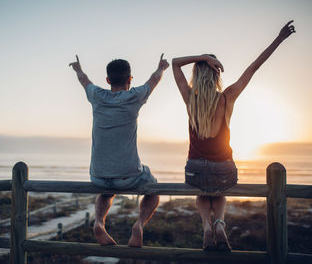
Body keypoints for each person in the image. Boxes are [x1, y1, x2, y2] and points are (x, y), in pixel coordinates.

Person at [171, 21, 295, 251]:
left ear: (197, 72)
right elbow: (253, 68)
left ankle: (206, 227)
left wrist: (202, 58)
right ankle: (219, 224)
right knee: (219, 191)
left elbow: (174, 64)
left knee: (202, 193)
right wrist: (278, 39)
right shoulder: (228, 96)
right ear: (216, 72)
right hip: (223, 169)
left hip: (195, 168)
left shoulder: (190, 98)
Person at [69, 54, 169, 247]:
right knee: (153, 189)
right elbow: (154, 79)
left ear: (108, 80)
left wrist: (78, 68)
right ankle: (139, 225)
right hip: (128, 176)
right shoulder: (134, 96)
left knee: (106, 191)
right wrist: (162, 67)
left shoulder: (96, 95)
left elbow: (84, 80)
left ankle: (99, 223)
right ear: (130, 79)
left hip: (98, 175)